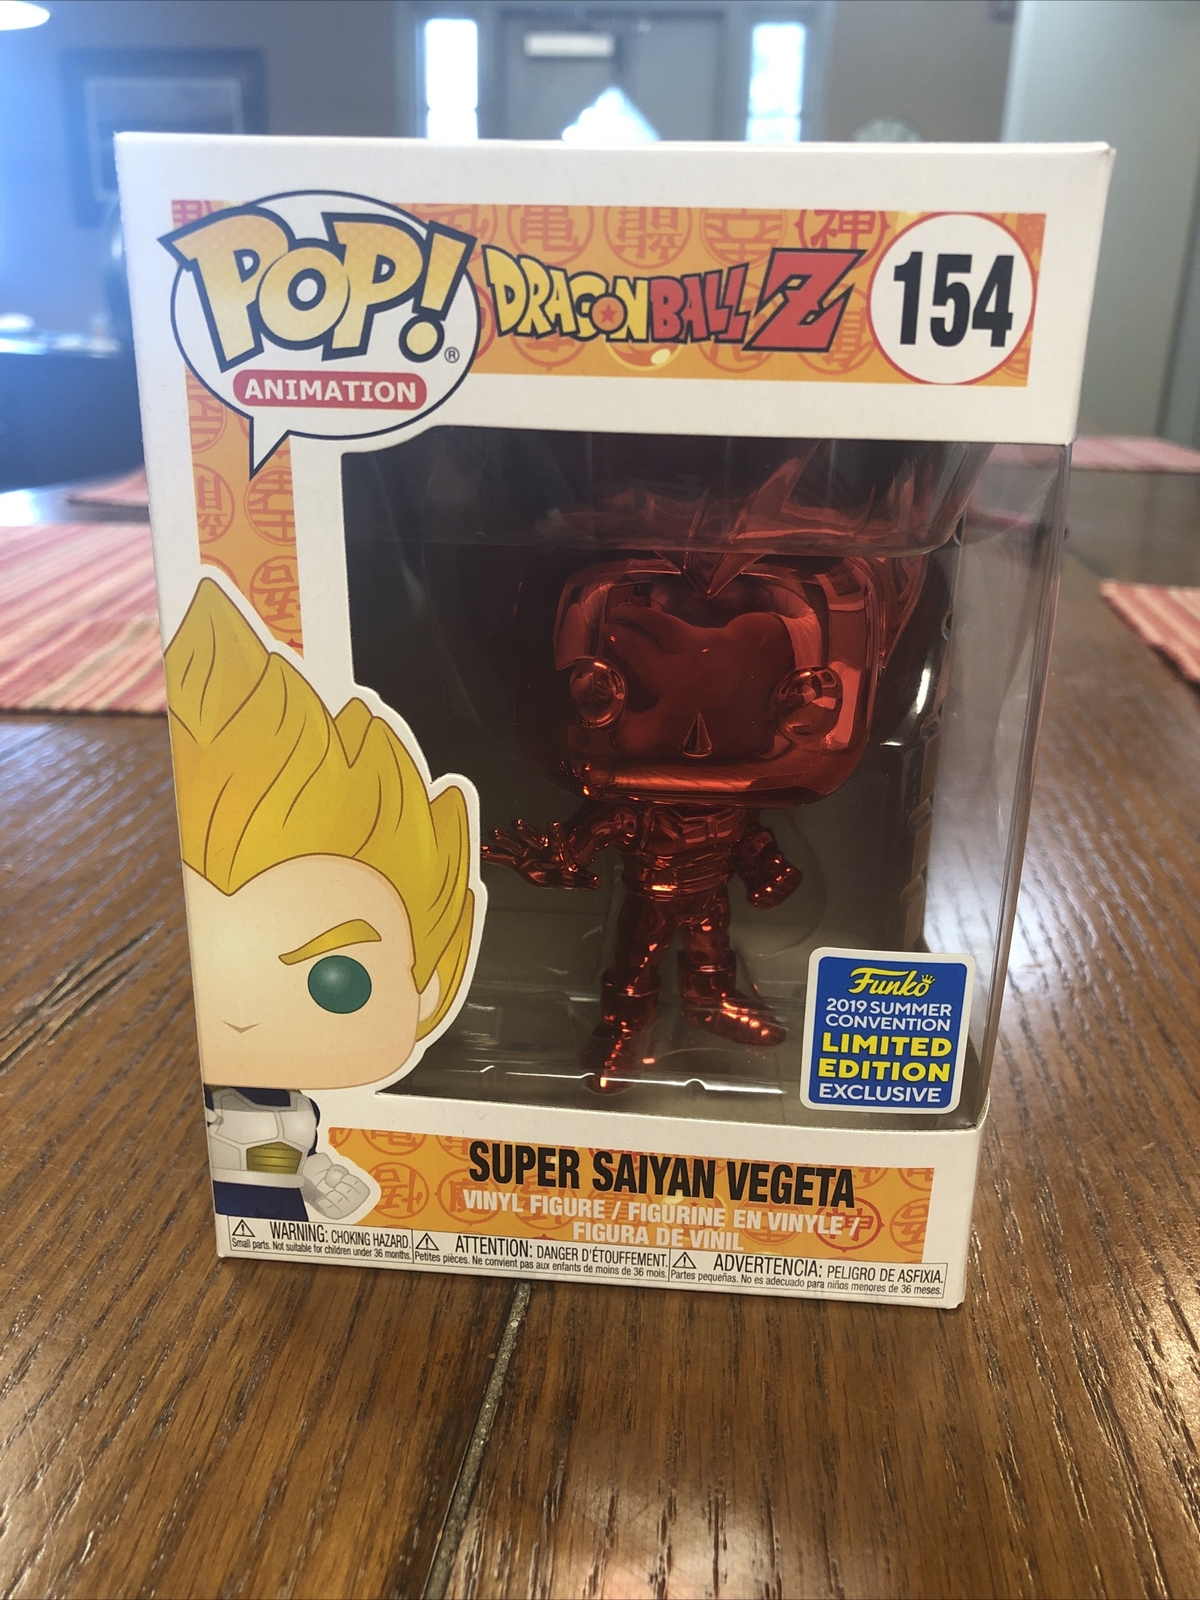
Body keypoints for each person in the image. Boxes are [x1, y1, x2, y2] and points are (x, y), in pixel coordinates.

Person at [165, 578, 477, 1220]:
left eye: (339, 979)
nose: (243, 1018)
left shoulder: (301, 1111)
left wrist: (325, 1179)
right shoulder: (207, 1098)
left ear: (429, 988)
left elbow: (308, 1163)